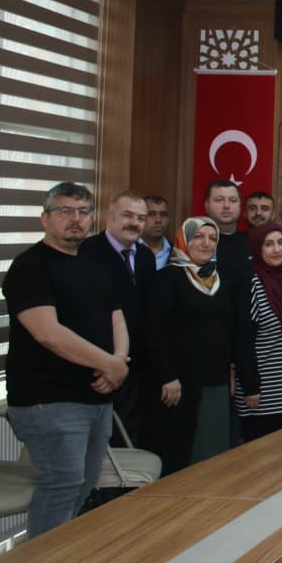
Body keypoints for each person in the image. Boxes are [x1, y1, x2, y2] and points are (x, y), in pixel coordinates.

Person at [3, 182, 128, 537]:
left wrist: (118, 362)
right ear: (45, 219)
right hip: (49, 400)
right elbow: (48, 333)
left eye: (83, 211)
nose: (75, 219)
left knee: (84, 482)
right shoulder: (29, 266)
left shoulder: (96, 265)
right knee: (63, 482)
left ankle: (57, 557)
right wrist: (109, 364)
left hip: (97, 398)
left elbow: (117, 320)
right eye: (65, 211)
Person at [145, 216, 234, 475]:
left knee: (214, 453)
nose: (206, 243)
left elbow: (227, 328)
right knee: (182, 454)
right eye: (198, 237)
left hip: (215, 381)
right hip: (179, 384)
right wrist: (167, 375)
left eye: (212, 238)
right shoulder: (167, 278)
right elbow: (153, 331)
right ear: (183, 240)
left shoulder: (220, 279)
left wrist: (231, 368)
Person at [78, 191, 156, 447]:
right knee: (98, 443)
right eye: (128, 215)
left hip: (134, 364)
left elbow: (147, 312)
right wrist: (107, 364)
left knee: (130, 440)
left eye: (141, 218)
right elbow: (83, 314)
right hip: (97, 365)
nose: (135, 223)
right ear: (109, 217)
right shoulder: (87, 252)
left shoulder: (145, 256)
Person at [232, 222, 282, 442]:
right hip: (261, 392)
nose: (277, 249)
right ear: (257, 247)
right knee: (260, 455)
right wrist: (251, 386)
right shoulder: (251, 282)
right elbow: (242, 340)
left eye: (281, 243)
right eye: (268, 244)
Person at [205, 179, 249, 289]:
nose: (226, 206)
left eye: (233, 200)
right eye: (219, 200)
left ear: (240, 205)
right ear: (206, 205)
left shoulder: (253, 243)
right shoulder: (193, 243)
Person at [140, 194, 172, 270]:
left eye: (163, 215)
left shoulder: (177, 254)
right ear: (140, 218)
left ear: (168, 220)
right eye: (151, 214)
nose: (158, 220)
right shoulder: (129, 250)